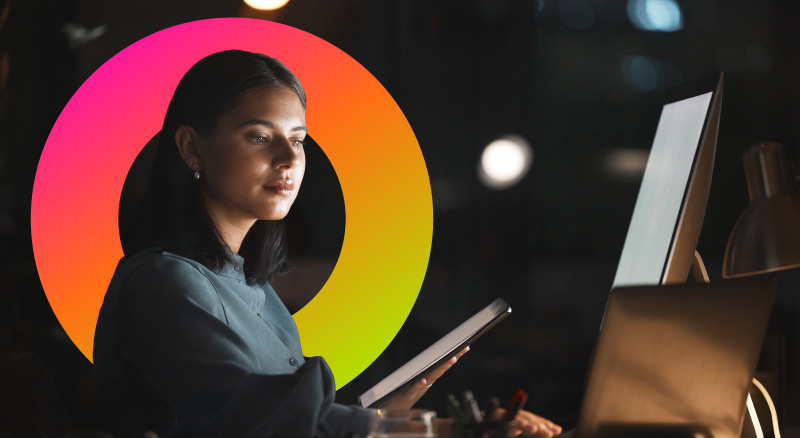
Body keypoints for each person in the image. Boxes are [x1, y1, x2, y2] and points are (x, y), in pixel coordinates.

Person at [93, 50, 562, 438]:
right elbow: (266, 429)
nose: (287, 160)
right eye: (259, 136)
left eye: (297, 140)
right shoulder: (165, 283)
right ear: (192, 148)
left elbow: (299, 424)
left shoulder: (254, 289)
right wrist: (444, 431)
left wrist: (384, 417)